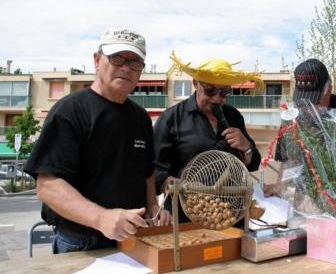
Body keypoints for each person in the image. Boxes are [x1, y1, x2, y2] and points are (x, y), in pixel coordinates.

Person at [24, 28, 169, 254]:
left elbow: (147, 173)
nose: (125, 67)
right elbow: (47, 186)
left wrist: (152, 207)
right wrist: (101, 218)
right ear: (97, 60)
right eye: (117, 58)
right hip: (81, 243)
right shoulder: (70, 111)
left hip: (134, 240)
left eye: (135, 62)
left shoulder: (141, 117)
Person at [154, 54, 262, 222]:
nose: (217, 98)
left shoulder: (233, 116)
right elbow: (155, 170)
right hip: (186, 217)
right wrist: (181, 185)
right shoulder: (171, 118)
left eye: (225, 92)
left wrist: (247, 147)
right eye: (210, 91)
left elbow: (252, 163)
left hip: (230, 216)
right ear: (196, 84)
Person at [265, 58, 336, 196]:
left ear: (328, 89)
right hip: (306, 196)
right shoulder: (293, 116)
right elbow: (289, 160)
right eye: (304, 101)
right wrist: (279, 186)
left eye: (315, 101)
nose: (309, 108)